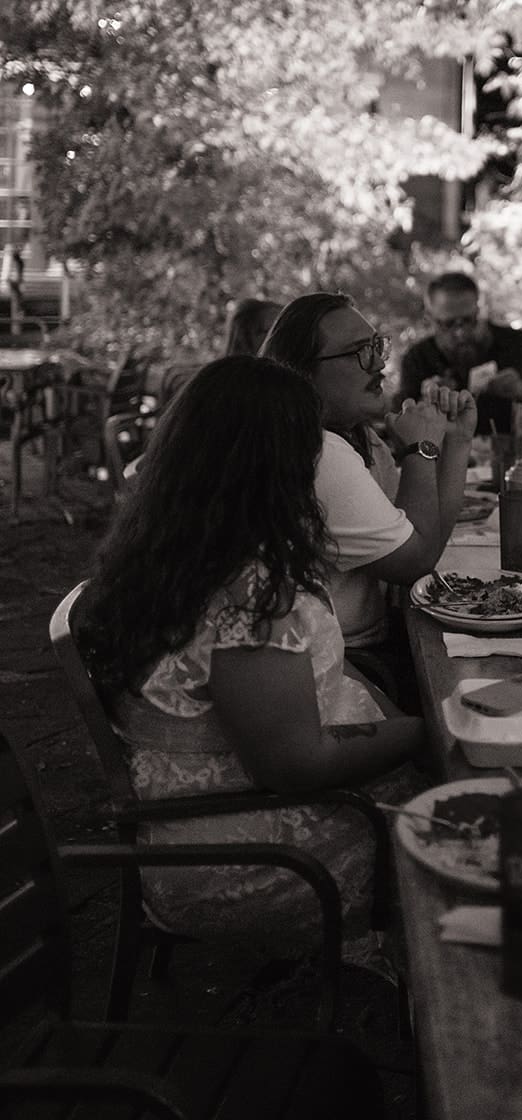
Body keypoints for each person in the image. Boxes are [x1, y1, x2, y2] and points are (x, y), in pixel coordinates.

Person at [75, 355, 423, 964]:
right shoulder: (246, 590)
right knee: (464, 842)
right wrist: (428, 732)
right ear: (280, 463)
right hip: (237, 856)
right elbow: (294, 766)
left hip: (201, 813)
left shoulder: (171, 544)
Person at [262, 292, 474, 679]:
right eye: (359, 352)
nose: (379, 363)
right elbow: (414, 562)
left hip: (365, 645)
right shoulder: (316, 453)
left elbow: (424, 538)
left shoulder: (359, 437)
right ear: (302, 372)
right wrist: (419, 450)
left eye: (377, 346)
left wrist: (456, 442)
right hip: (334, 665)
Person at [394, 271, 522, 435]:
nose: (461, 333)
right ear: (430, 319)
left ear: (479, 311)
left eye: (468, 321)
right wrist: (425, 402)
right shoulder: (418, 359)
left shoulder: (518, 345)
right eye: (448, 324)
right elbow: (398, 423)